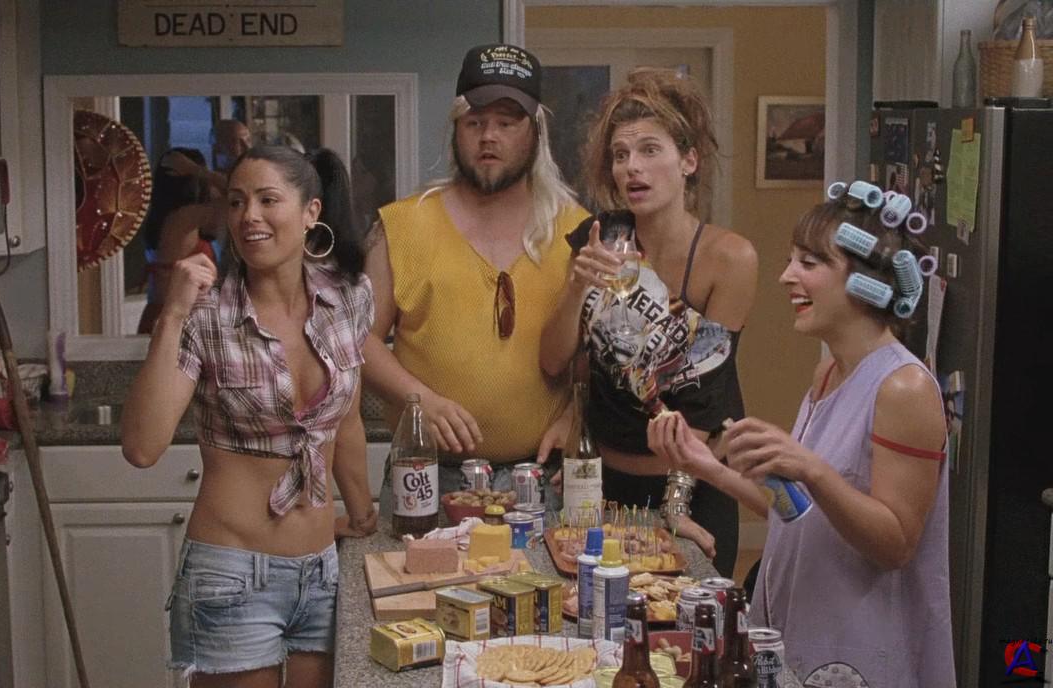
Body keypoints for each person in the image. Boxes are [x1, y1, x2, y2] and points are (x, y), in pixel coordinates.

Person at [647, 183, 952, 686]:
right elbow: (796, 513)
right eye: (792, 261)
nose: (787, 276)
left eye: (809, 263)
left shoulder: (904, 388)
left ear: (866, 281)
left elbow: (897, 544)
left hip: (860, 653)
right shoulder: (828, 372)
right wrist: (705, 466)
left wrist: (811, 467)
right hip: (801, 636)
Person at [122, 145, 375, 688]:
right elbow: (142, 447)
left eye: (267, 200)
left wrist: (363, 516)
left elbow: (346, 420)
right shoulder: (206, 315)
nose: (248, 216)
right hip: (232, 573)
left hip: (323, 572)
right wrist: (171, 311)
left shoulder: (349, 297)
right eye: (236, 202)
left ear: (311, 212)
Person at [538, 68, 757, 575]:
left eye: (650, 150)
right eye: (620, 155)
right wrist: (576, 287)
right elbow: (554, 361)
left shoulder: (729, 258)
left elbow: (706, 397)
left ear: (688, 161)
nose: (632, 167)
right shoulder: (600, 237)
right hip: (604, 487)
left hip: (689, 490)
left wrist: (674, 505)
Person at [363, 43, 587, 506]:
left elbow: (604, 355)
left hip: (541, 478)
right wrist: (419, 400)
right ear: (455, 130)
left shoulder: (576, 231)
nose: (489, 137)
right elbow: (357, 342)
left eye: (507, 123)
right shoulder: (401, 226)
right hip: (426, 474)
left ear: (536, 133)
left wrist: (575, 414)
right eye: (475, 122)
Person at [136, 147, 227, 334]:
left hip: (162, 315)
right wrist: (196, 170)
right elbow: (236, 193)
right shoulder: (187, 216)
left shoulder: (163, 216)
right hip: (176, 321)